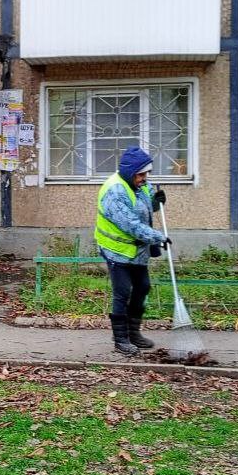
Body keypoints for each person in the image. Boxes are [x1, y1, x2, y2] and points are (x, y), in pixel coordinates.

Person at [95, 147, 170, 356]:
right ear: (130, 172)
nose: (145, 178)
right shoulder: (114, 192)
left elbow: (146, 207)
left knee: (143, 287)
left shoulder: (141, 185)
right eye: (141, 174)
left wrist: (157, 202)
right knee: (122, 292)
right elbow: (131, 225)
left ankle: (133, 333)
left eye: (147, 174)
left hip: (137, 250)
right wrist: (158, 237)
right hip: (116, 250)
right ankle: (120, 340)